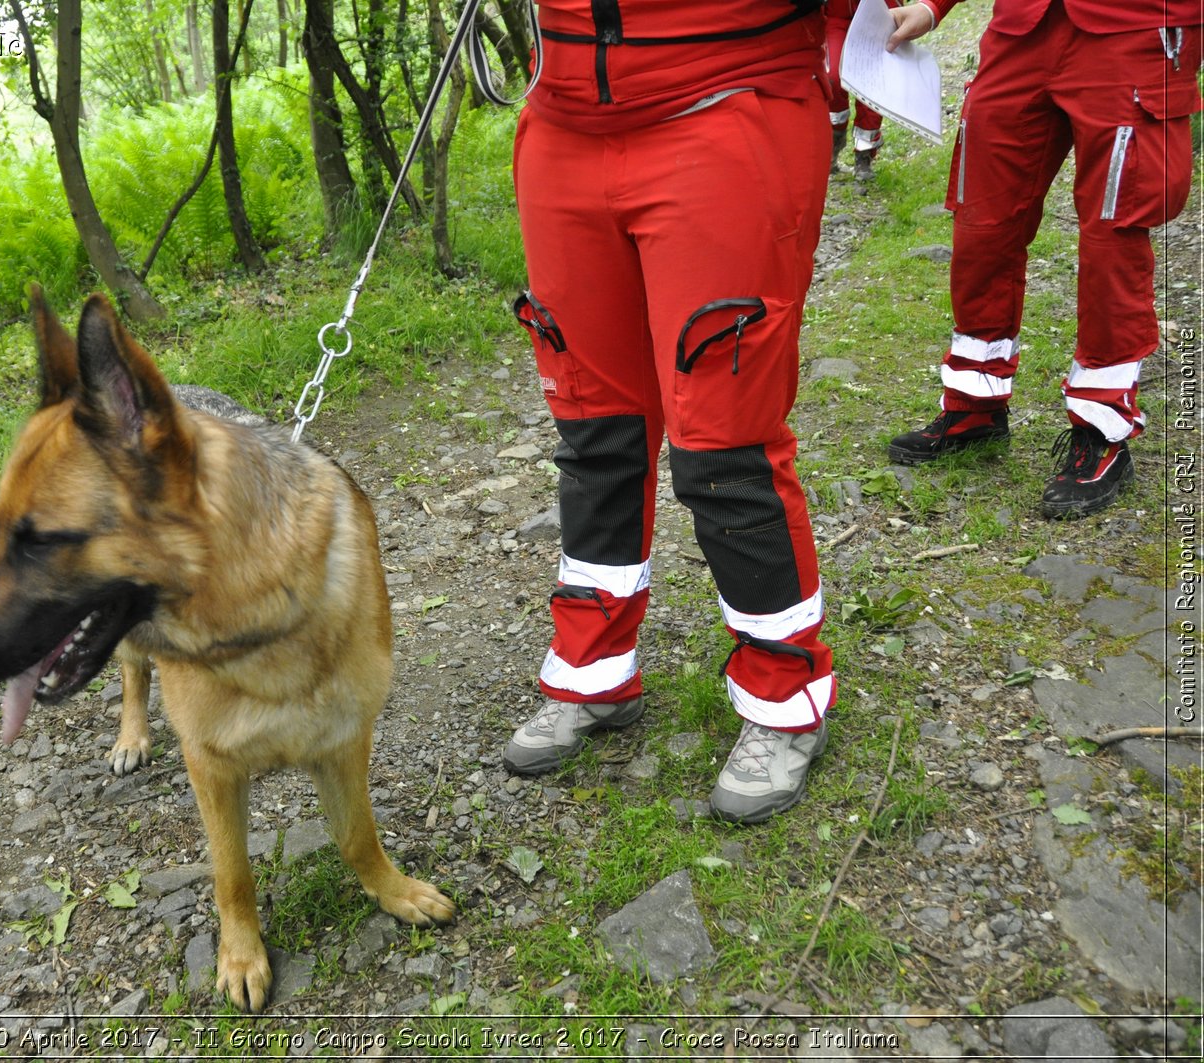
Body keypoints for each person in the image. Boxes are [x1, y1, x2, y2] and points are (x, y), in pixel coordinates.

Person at [501, 0, 837, 824]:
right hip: (562, 122)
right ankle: (594, 670)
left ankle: (784, 694)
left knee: (725, 438)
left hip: (725, 103)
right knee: (592, 425)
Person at [884, 0, 1201, 518]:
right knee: (983, 224)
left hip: (1135, 29)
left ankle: (1101, 428)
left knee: (1113, 235)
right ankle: (974, 404)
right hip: (1020, 29)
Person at [825, 0, 899, 188]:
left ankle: (864, 153)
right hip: (836, 15)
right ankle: (836, 134)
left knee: (871, 83)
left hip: (876, 16)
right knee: (832, 76)